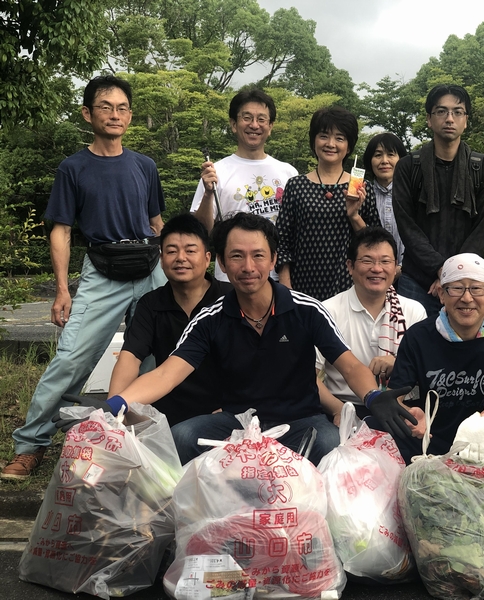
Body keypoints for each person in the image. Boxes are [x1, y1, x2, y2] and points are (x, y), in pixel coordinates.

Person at [56, 213, 410, 467]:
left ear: (273, 260)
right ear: (223, 263)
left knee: (331, 443)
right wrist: (115, 405)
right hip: (236, 421)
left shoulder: (306, 310)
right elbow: (166, 374)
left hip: (302, 419)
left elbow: (348, 364)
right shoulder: (211, 319)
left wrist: (373, 395)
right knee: (181, 437)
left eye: (258, 255)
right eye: (237, 256)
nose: (248, 266)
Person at [2, 75, 167, 480]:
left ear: (130, 115)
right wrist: (62, 289)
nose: (115, 114)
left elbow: (156, 223)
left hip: (150, 266)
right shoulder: (73, 168)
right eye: (105, 107)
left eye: (122, 108)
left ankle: (146, 443)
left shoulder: (145, 166)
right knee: (71, 358)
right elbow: (60, 229)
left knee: (161, 357)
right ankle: (31, 444)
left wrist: (176, 269)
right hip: (102, 270)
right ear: (87, 114)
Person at [369, 253, 484, 519]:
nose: (466, 298)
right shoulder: (419, 336)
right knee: (383, 431)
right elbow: (397, 399)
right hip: (434, 439)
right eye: (456, 288)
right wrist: (410, 416)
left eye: (476, 288)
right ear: (441, 294)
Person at [107, 213, 231, 426]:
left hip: (224, 412)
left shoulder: (230, 300)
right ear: (161, 259)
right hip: (166, 417)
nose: (181, 258)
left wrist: (235, 406)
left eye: (190, 251)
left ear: (207, 258)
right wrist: (110, 412)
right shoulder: (151, 304)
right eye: (172, 251)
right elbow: (130, 357)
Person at [392, 84, 484, 316]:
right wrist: (440, 270)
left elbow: (482, 228)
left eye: (457, 112)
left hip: (466, 282)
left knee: (464, 339)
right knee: (413, 338)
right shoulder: (408, 167)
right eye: (441, 111)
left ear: (466, 120)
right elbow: (407, 227)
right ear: (429, 119)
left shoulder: (482, 169)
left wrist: (453, 275)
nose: (450, 118)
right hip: (417, 280)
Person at [315, 227, 427, 422]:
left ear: (396, 267)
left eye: (385, 261)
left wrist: (400, 363)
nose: (377, 269)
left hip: (401, 407)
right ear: (350, 266)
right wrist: (339, 411)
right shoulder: (327, 311)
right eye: (367, 261)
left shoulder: (413, 310)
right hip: (346, 407)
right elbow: (309, 377)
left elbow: (427, 370)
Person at [190, 88, 298, 281]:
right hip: (232, 280)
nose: (254, 125)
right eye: (247, 118)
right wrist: (208, 194)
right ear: (233, 124)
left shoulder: (288, 173)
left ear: (270, 126)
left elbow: (297, 232)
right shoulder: (216, 172)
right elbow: (200, 232)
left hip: (279, 278)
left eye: (261, 119)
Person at [276, 106, 380, 301]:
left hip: (349, 288)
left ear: (349, 146)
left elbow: (374, 242)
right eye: (324, 136)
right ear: (314, 140)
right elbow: (282, 239)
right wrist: (286, 285)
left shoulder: (360, 187)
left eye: (339, 138)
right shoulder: (296, 185)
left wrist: (354, 216)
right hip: (301, 287)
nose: (331, 144)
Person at [363, 132, 408, 268]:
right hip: (372, 272)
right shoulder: (362, 196)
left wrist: (402, 267)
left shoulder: (413, 195)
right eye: (378, 155)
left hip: (410, 272)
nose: (384, 161)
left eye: (390, 154)